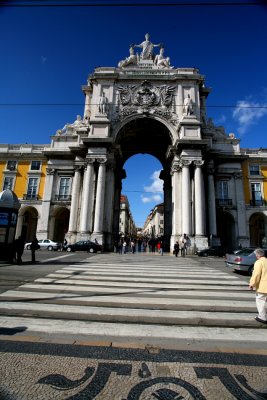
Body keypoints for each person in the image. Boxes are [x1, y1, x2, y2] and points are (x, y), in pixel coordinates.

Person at [249, 248, 267, 324]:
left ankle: (262, 317)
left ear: (257, 255)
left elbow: (256, 274)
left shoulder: (259, 262)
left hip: (263, 286)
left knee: (261, 301)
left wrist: (252, 284)